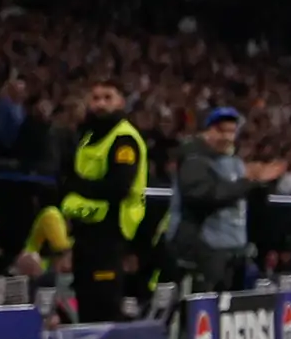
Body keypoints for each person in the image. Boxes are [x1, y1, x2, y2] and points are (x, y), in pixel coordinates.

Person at [58, 77, 151, 322]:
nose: (100, 104)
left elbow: (117, 186)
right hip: (85, 231)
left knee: (105, 305)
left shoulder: (124, 139)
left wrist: (78, 186)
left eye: (107, 98)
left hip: (111, 232)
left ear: (120, 101)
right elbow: (67, 178)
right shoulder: (87, 137)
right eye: (96, 98)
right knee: (85, 303)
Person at [171, 106, 278, 295]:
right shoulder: (194, 159)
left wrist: (262, 184)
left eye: (232, 131)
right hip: (203, 250)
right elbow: (205, 196)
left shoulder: (234, 162)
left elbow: (246, 200)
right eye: (221, 131)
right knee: (201, 311)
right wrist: (249, 182)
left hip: (233, 250)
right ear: (206, 131)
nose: (228, 137)